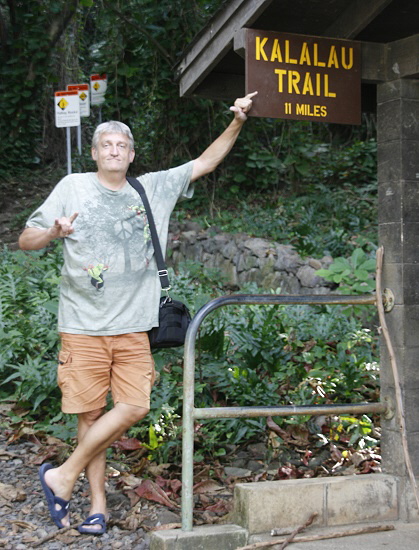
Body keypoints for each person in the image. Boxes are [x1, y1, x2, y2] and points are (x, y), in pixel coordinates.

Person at [19, 91, 257, 535]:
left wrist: (238, 121)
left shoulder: (153, 188)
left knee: (132, 406)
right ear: (94, 153)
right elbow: (25, 240)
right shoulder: (72, 187)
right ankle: (97, 506)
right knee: (90, 417)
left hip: (135, 327)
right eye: (105, 145)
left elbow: (204, 162)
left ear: (131, 155)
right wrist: (52, 231)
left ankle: (61, 475)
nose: (113, 151)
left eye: (121, 146)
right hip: (83, 325)